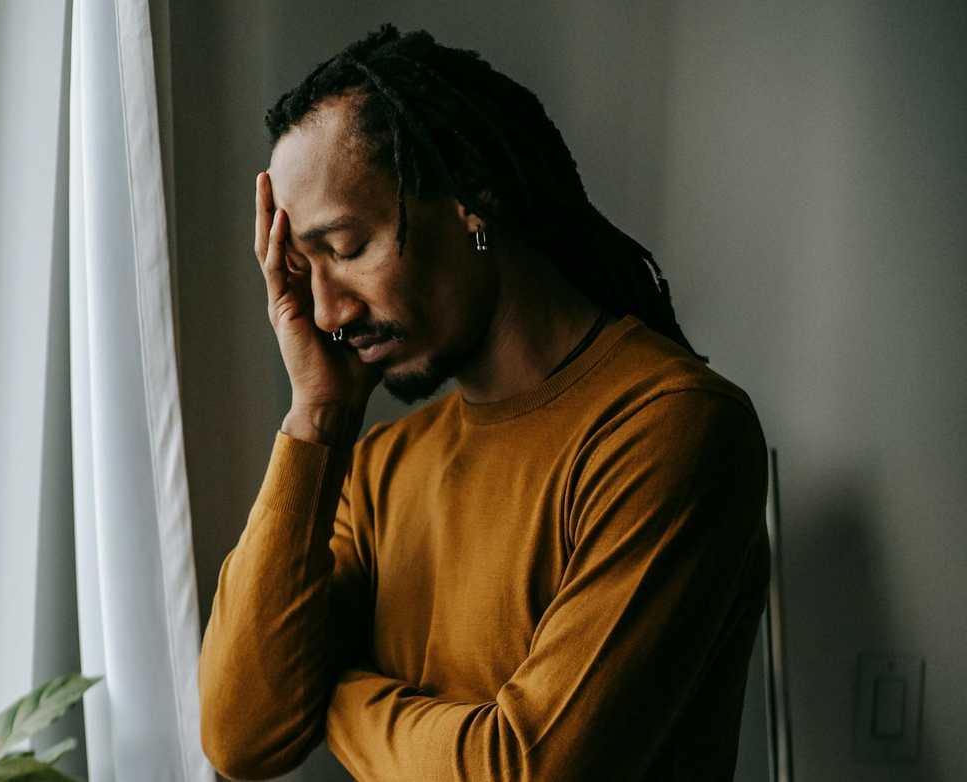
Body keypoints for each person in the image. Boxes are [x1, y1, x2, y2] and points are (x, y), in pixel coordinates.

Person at [199, 23, 770, 782]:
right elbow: (240, 735)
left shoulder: (668, 428)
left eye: (346, 248)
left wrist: (333, 691)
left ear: (471, 200)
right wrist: (318, 419)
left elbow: (524, 770)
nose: (328, 313)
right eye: (305, 269)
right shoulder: (377, 468)